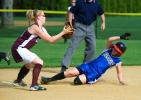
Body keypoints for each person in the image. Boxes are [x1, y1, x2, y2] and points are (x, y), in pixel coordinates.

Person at [11, 9, 72, 91]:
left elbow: (51, 39)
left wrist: (63, 33)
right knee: (39, 62)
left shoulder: (42, 28)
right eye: (43, 15)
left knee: (28, 65)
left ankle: (18, 81)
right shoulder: (35, 27)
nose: (45, 17)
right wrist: (63, 33)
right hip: (18, 48)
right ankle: (34, 85)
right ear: (38, 17)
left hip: (20, 48)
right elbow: (50, 40)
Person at [41, 33, 131, 85]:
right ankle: (49, 79)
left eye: (117, 51)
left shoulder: (118, 61)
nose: (115, 51)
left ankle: (80, 75)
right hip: (88, 65)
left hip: (94, 74)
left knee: (76, 81)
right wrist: (121, 37)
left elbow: (119, 72)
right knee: (70, 72)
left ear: (120, 53)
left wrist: (121, 81)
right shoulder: (108, 50)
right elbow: (109, 39)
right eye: (115, 48)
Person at [61, 0, 105, 72]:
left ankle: (86, 66)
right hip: (79, 27)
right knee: (72, 46)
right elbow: (71, 12)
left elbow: (101, 13)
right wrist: (70, 24)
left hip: (90, 27)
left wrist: (103, 22)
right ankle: (64, 66)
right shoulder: (80, 2)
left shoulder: (96, 3)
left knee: (92, 47)